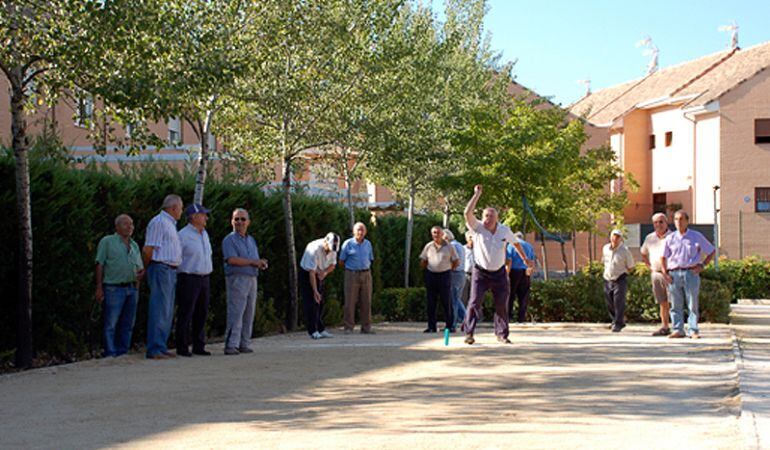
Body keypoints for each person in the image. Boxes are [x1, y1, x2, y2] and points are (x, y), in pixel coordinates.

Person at [462, 185, 529, 345]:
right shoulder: (477, 227)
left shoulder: (504, 230)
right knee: (474, 302)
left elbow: (516, 244)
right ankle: (469, 333)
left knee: (501, 304)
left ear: (496, 219)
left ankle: (502, 334)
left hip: (499, 273)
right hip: (480, 272)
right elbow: (467, 213)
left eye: (491, 216)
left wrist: (525, 259)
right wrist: (477, 194)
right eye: (486, 215)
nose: (488, 219)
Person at [95, 214, 144, 357]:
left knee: (128, 323)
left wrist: (138, 283)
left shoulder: (134, 245)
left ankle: (123, 351)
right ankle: (110, 352)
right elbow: (100, 264)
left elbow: (139, 267)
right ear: (117, 227)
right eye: (125, 224)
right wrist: (99, 287)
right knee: (111, 322)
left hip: (131, 288)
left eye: (131, 224)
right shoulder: (107, 241)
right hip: (113, 287)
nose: (130, 227)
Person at [661, 210, 715, 339]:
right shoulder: (670, 238)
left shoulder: (696, 236)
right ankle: (678, 329)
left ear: (687, 221)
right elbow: (663, 257)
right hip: (674, 274)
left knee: (692, 304)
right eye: (676, 219)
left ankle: (693, 330)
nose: (678, 222)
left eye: (681, 219)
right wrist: (665, 273)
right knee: (675, 304)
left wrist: (702, 265)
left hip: (691, 273)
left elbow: (711, 250)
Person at [142, 194, 183, 359]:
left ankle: (161, 345)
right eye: (180, 208)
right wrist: (146, 268)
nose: (181, 212)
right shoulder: (159, 222)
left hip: (170, 270)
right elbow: (148, 249)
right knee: (160, 308)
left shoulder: (170, 224)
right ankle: (155, 348)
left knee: (167, 309)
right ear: (173, 208)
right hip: (161, 268)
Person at [222, 208, 268, 355]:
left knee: (249, 313)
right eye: (236, 219)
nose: (240, 222)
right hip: (237, 278)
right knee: (236, 312)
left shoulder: (251, 240)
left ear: (248, 222)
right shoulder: (229, 240)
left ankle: (244, 343)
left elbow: (253, 259)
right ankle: (231, 344)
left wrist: (260, 263)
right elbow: (231, 259)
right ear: (232, 221)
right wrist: (254, 262)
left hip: (252, 278)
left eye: (243, 219)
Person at [174, 204, 213, 357]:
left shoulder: (205, 234)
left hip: (204, 277)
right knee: (186, 312)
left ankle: (199, 345)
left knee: (201, 313)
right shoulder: (183, 235)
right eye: (203, 215)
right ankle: (182, 346)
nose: (206, 218)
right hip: (189, 277)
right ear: (194, 217)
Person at [299, 233, 340, 339]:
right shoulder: (314, 249)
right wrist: (315, 291)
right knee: (311, 302)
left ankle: (320, 329)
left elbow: (333, 265)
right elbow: (311, 272)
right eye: (329, 248)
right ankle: (312, 330)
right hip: (307, 273)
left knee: (320, 303)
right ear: (325, 242)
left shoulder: (333, 249)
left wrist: (325, 273)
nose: (330, 251)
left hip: (319, 272)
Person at [419, 227, 459, 333]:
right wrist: (427, 269)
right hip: (431, 275)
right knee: (431, 302)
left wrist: (449, 269)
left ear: (442, 234)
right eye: (434, 233)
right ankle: (431, 327)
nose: (436, 235)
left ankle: (449, 326)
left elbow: (456, 261)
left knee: (447, 301)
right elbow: (423, 260)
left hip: (445, 275)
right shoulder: (428, 246)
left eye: (438, 233)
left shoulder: (449, 246)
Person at [640, 213, 673, 336]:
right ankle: (665, 326)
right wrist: (650, 267)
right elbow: (643, 253)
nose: (658, 224)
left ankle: (677, 327)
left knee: (674, 301)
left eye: (661, 222)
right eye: (655, 222)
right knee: (662, 302)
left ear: (666, 223)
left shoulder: (673, 237)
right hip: (656, 273)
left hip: (671, 273)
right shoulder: (650, 238)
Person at [340, 222, 375, 334]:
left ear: (365, 232)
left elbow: (370, 258)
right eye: (358, 229)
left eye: (362, 230)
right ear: (354, 231)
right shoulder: (348, 244)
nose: (360, 232)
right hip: (352, 274)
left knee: (366, 301)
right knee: (350, 301)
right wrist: (351, 269)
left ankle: (366, 327)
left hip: (366, 274)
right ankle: (348, 327)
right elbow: (341, 261)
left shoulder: (368, 244)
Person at [602, 229, 635, 333]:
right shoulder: (605, 248)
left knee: (618, 302)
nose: (615, 239)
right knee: (609, 302)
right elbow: (604, 261)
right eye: (613, 236)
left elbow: (631, 266)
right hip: (607, 278)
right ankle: (615, 320)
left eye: (617, 237)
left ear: (621, 239)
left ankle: (618, 323)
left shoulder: (625, 250)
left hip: (620, 278)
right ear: (610, 237)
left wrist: (623, 273)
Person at [506, 232, 537, 324]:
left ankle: (508, 317)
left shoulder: (511, 245)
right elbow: (532, 261)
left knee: (510, 295)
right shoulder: (529, 246)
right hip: (525, 272)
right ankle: (521, 318)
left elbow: (509, 260)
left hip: (514, 272)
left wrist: (506, 275)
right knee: (523, 296)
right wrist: (530, 271)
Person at [443, 229, 467, 330]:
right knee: (456, 299)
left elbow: (453, 261)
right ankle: (467, 320)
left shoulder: (452, 246)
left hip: (455, 274)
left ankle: (452, 324)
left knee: (453, 300)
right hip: (461, 274)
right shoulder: (460, 245)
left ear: (446, 238)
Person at [460, 231, 475, 306]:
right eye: (470, 237)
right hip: (465, 275)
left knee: (474, 297)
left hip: (476, 275)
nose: (472, 239)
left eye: (473, 237)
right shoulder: (463, 249)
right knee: (463, 297)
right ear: (466, 239)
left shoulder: (479, 249)